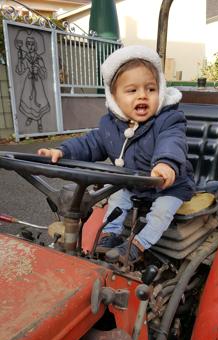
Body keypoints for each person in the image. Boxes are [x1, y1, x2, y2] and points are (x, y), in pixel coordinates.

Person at [38, 45, 195, 262]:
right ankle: (110, 235)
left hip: (169, 185)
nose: (143, 95)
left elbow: (172, 142)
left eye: (150, 89)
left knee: (161, 212)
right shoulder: (109, 125)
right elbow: (89, 144)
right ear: (113, 97)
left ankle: (138, 244)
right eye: (132, 90)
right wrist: (61, 150)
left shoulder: (169, 120)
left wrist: (166, 163)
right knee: (116, 198)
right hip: (131, 183)